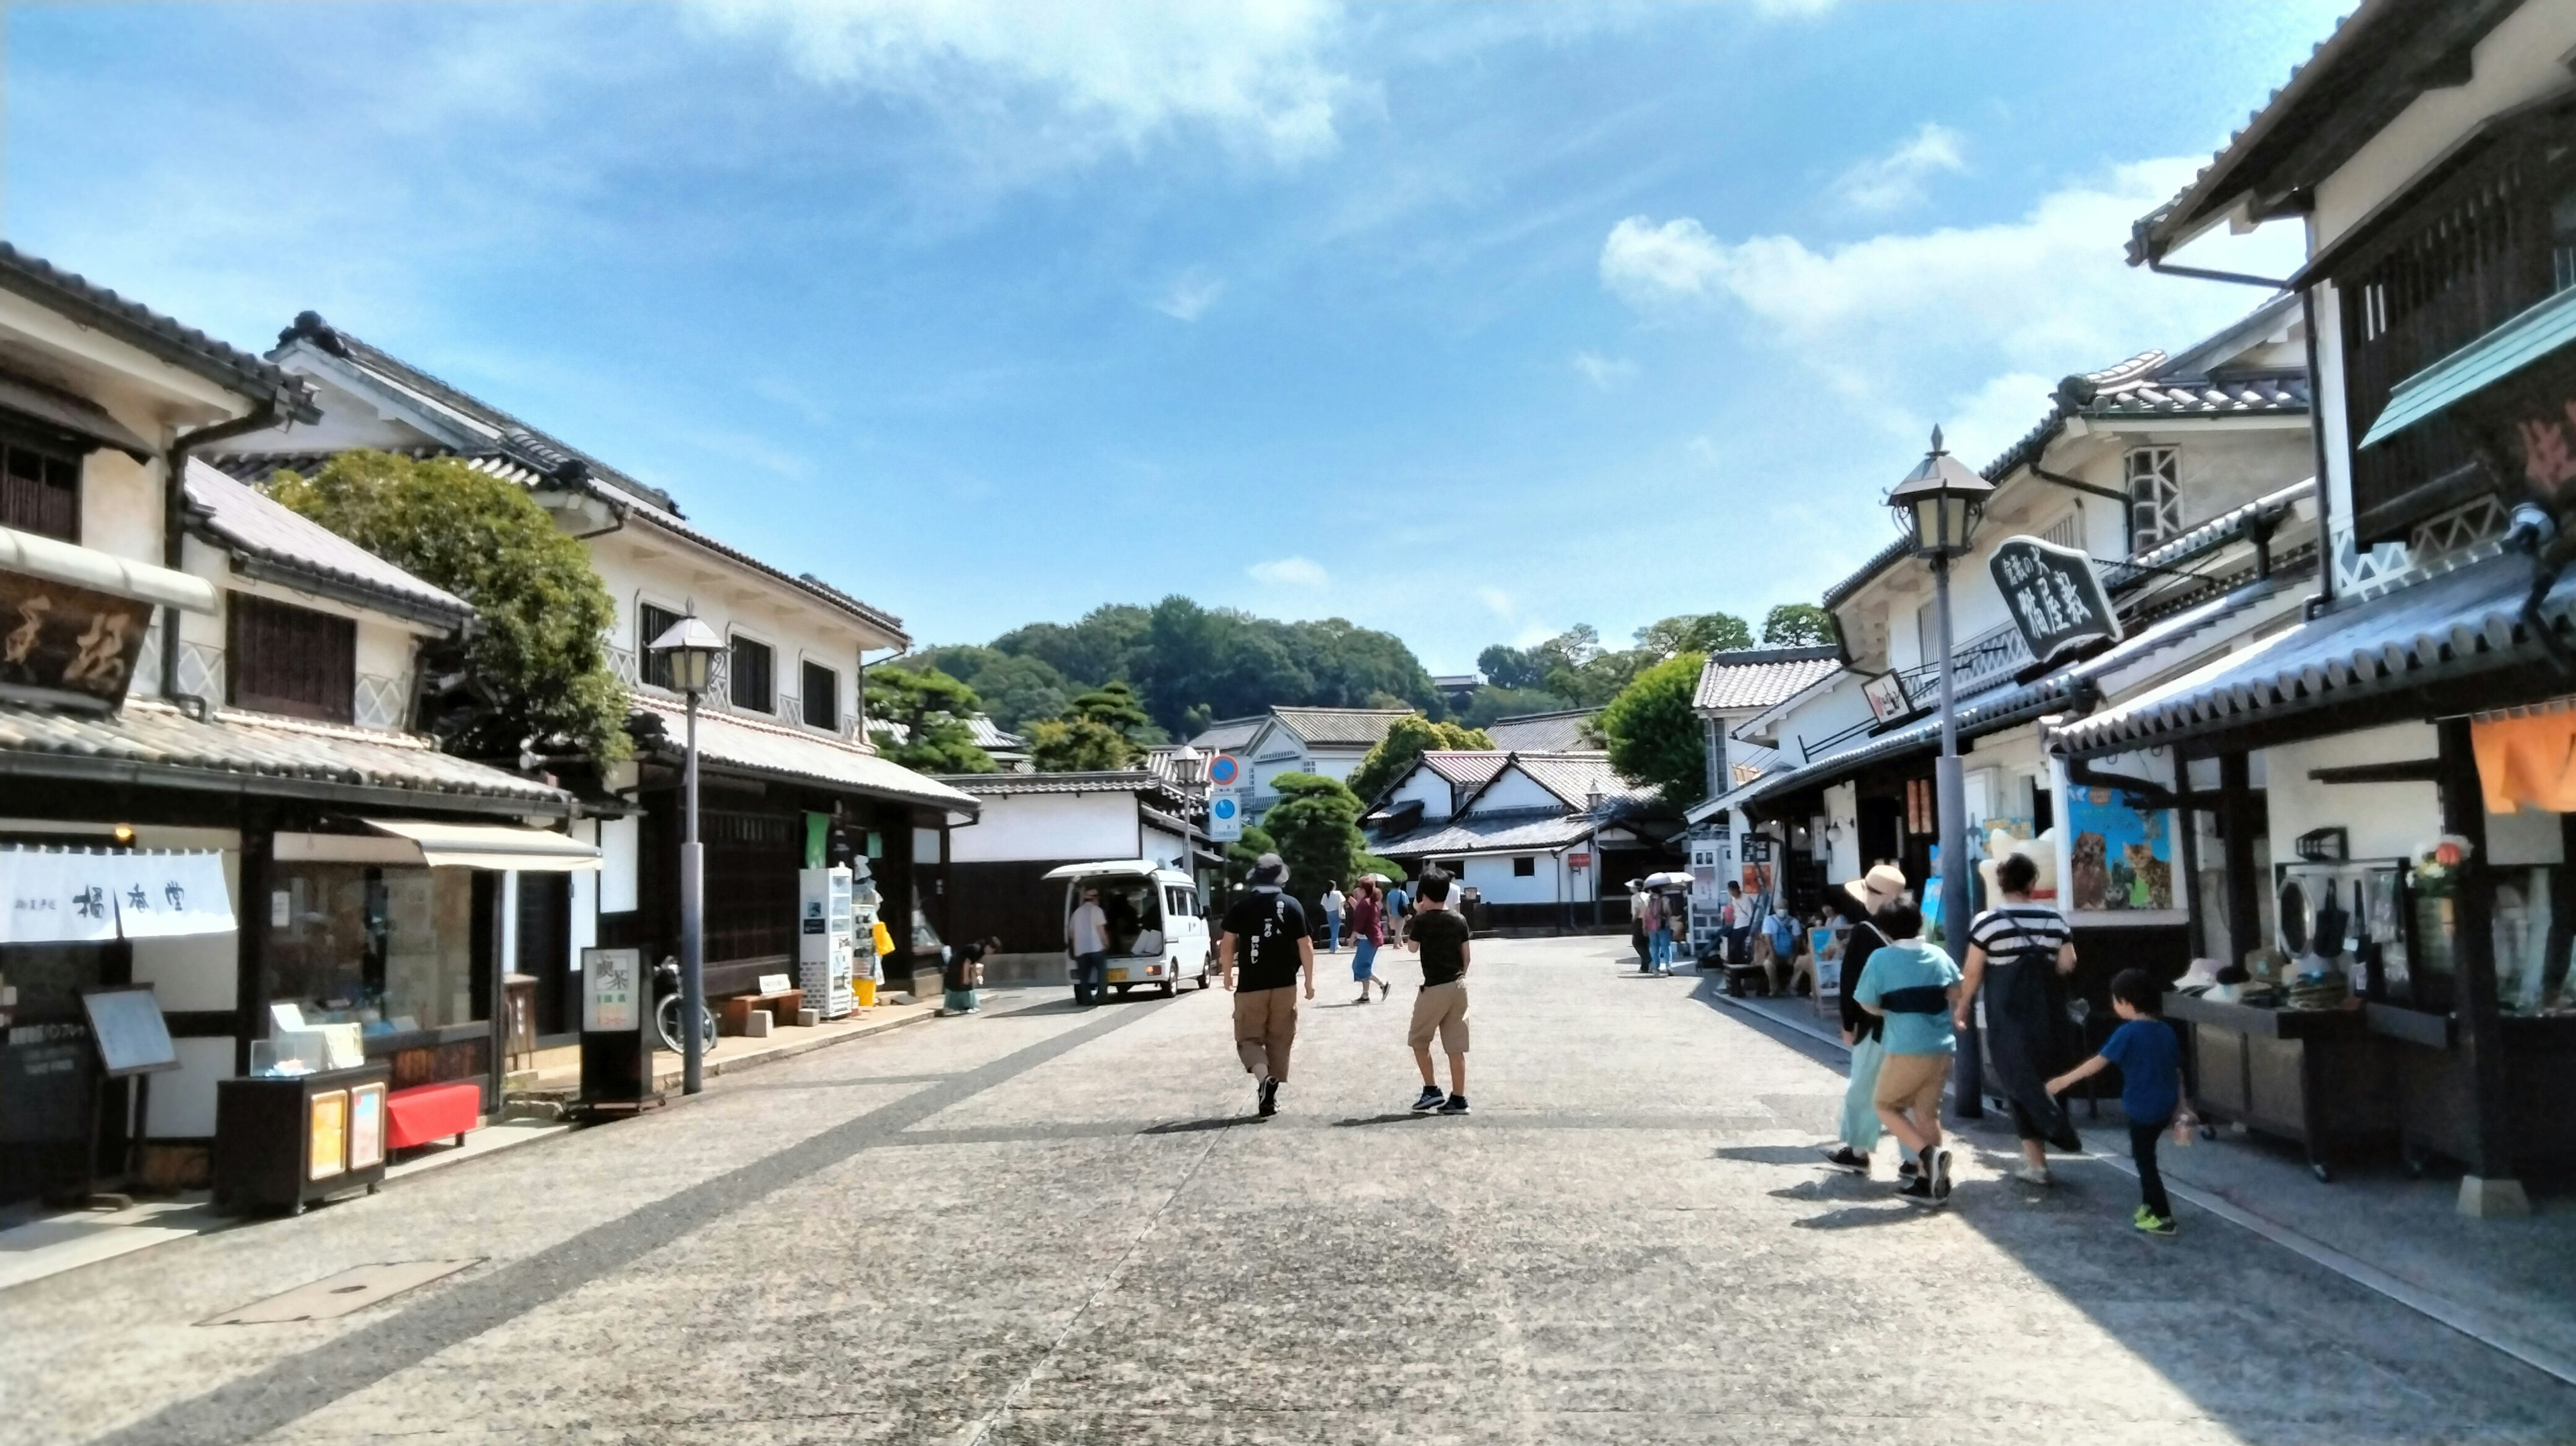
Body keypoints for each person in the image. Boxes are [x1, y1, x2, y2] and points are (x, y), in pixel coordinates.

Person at [1962, 852, 2083, 1186]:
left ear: (2001, 885)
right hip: (2048, 1013)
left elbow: (1972, 972)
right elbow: (2067, 964)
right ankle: (2053, 1125)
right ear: (2032, 883)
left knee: (2016, 1079)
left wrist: (1962, 1007)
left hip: (2006, 1015)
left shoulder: (1987, 922)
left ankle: (2037, 1161)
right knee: (2046, 1073)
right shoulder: (2054, 919)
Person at [2049, 969, 2190, 1236]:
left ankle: (2162, 1216)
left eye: (2115, 1000)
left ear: (2126, 1002)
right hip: (2165, 1105)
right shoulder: (2166, 1031)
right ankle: (2149, 1206)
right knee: (2145, 1156)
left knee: (2145, 1161)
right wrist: (2183, 1106)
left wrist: (2062, 1081)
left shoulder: (2128, 1033)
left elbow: (2097, 1063)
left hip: (2142, 1107)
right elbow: (2177, 1071)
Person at [1853, 899, 1965, 1207]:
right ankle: (1930, 1184)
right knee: (1927, 1114)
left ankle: (1929, 1156)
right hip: (1941, 1047)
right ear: (1920, 923)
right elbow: (1956, 991)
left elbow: (1866, 1002)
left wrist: (1891, 1008)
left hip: (1905, 1046)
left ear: (1887, 931)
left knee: (1884, 1104)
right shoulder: (1938, 954)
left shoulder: (1881, 958)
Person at [1821, 863, 1909, 1178]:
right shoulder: (1914, 930)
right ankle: (1913, 1157)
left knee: (1864, 1086)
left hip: (1873, 1025)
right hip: (1909, 1025)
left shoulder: (1864, 932)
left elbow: (1852, 984)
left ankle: (1858, 1150)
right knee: (1906, 1093)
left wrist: (1848, 1024)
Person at [1220, 853, 1315, 1119]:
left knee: (1248, 1039)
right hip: (1285, 985)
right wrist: (1308, 980)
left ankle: (1264, 1082)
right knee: (1280, 1038)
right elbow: (1305, 945)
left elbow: (1227, 944)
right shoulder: (1292, 905)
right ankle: (1270, 1093)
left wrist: (1228, 974)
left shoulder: (1242, 906)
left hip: (1251, 986)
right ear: (1280, 877)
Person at [1401, 867, 1474, 1115]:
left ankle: (1431, 1089)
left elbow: (1411, 948)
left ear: (1423, 894)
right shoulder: (1459, 919)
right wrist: (1459, 977)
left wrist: (1417, 913)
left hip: (1434, 987)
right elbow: (1467, 958)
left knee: (1419, 1040)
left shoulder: (1422, 920)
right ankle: (1459, 1099)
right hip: (1458, 986)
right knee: (1456, 1046)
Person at [1348, 879, 1389, 1004]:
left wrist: (1352, 937)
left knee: (1359, 967)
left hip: (1367, 939)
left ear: (1362, 890)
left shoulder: (1365, 903)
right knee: (1364, 966)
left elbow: (1360, 922)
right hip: (1372, 938)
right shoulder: (1372, 901)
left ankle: (1383, 985)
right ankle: (1365, 995)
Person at [1069, 885, 1110, 1007]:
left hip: (1080, 950)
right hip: (1096, 948)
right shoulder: (1097, 911)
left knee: (1083, 977)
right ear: (1095, 899)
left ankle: (1086, 999)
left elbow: (1071, 933)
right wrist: (1107, 943)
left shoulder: (1076, 913)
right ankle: (1101, 997)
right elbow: (1101, 930)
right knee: (1102, 973)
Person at [943, 936, 998, 1015]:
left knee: (968, 985)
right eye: (992, 949)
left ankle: (968, 1006)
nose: (991, 952)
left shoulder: (981, 951)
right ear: (987, 945)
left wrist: (977, 974)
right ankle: (964, 1007)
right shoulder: (977, 949)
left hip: (961, 965)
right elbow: (967, 962)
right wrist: (966, 977)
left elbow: (973, 962)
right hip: (957, 965)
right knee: (962, 985)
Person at [1641, 889, 1670, 974]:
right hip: (1663, 926)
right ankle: (1668, 966)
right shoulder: (1665, 899)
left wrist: (1644, 926)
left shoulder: (1648, 900)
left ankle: (1656, 968)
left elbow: (1645, 914)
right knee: (1666, 947)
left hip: (1651, 927)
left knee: (1654, 947)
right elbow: (1668, 912)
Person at [1322, 881, 1346, 954]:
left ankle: (1336, 944)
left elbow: (1323, 905)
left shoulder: (1326, 894)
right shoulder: (1338, 893)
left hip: (1328, 913)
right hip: (1336, 912)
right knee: (1335, 930)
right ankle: (1333, 948)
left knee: (1332, 930)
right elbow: (1343, 901)